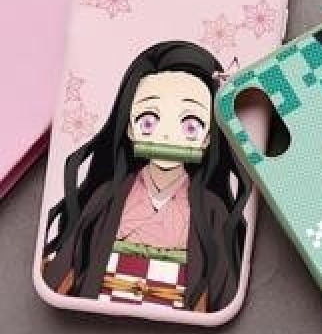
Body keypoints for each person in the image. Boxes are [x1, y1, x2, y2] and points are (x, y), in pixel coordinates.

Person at [42, 41, 251, 312]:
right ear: (130, 128)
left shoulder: (211, 210)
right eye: (149, 121)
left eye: (191, 125)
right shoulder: (107, 197)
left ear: (208, 137)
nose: (167, 136)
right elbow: (66, 267)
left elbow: (223, 292)